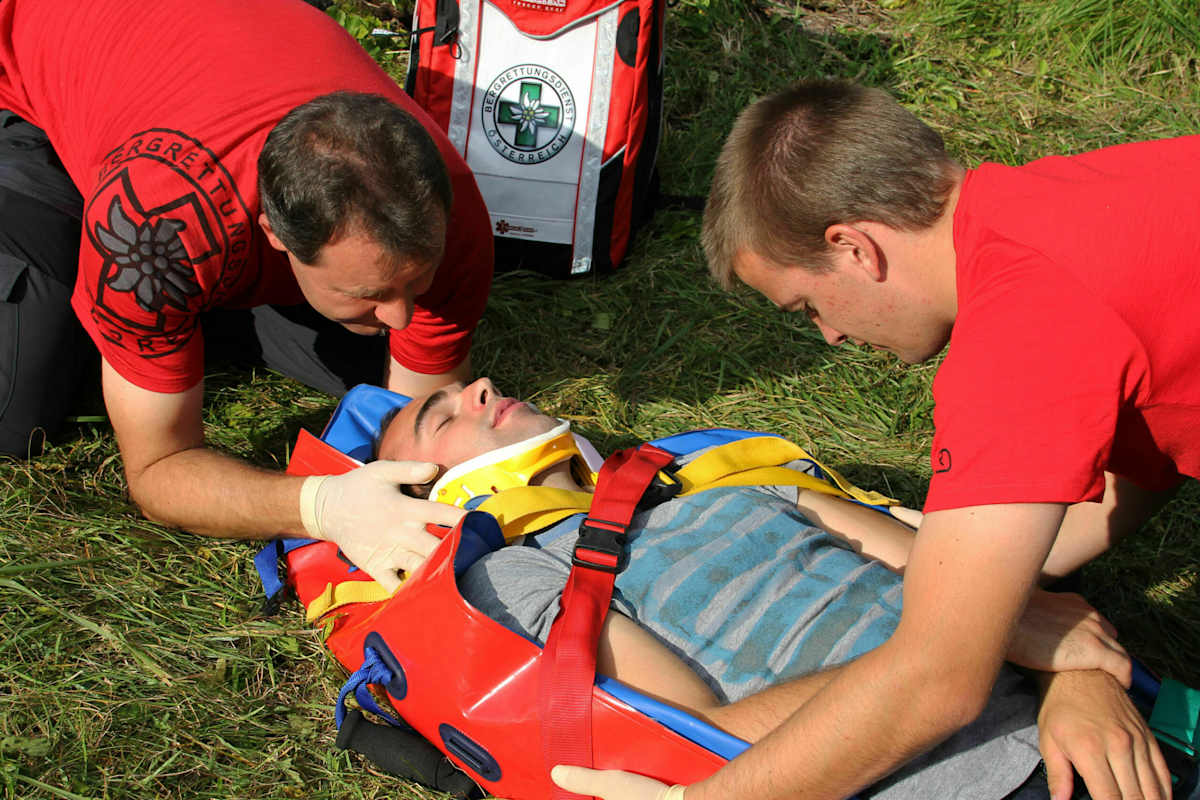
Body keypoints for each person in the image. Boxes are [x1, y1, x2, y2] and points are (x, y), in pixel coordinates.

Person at [565, 79, 1200, 800]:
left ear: (855, 248)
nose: (831, 335)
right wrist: (1022, 619)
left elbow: (934, 682)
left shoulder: (1016, 342)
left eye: (807, 307)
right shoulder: (1062, 195)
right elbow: (1148, 436)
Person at [375, 377, 1165, 800]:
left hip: (1102, 741)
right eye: (439, 414)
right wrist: (959, 652)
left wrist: (1077, 686)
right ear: (425, 490)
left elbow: (1000, 594)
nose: (477, 386)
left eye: (469, 387)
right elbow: (690, 740)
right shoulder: (517, 574)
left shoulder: (732, 481)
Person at [0, 0, 491, 588]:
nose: (402, 312)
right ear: (274, 234)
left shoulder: (451, 211)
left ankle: (164, 327)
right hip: (31, 94)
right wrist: (322, 506)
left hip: (205, 76)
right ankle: (141, 320)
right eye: (370, 292)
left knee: (367, 377)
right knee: (17, 407)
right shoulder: (154, 230)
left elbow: (418, 433)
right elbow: (159, 468)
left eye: (418, 278)